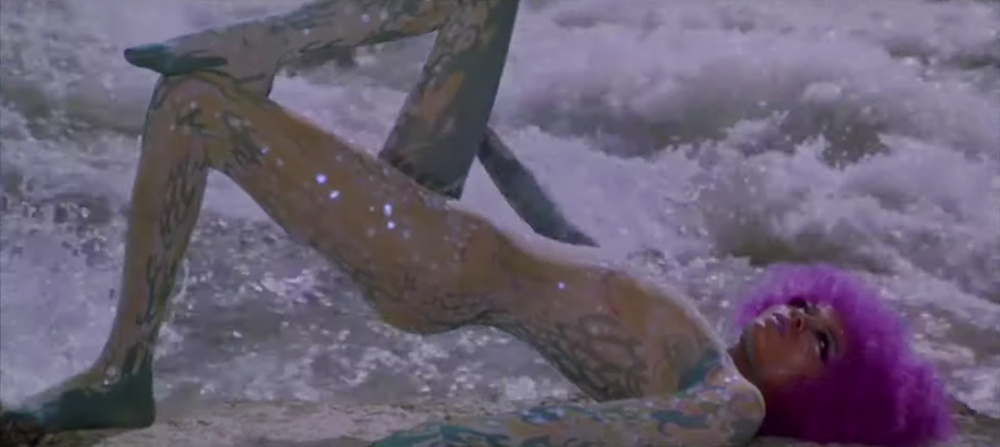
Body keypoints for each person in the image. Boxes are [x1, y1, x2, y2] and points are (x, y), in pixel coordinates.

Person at [0, 1, 955, 446]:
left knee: (190, 104)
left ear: (822, 407)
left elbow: (581, 430)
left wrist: (448, 437)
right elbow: (558, 231)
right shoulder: (696, 332)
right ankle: (263, 44)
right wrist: (473, 123)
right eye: (810, 308)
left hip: (432, 263)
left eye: (822, 344)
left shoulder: (727, 404)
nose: (799, 317)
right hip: (444, 215)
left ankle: (120, 373)